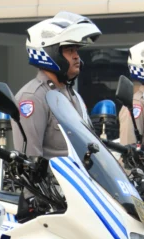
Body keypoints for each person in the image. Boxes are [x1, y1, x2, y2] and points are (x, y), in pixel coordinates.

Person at [12, 12, 101, 159]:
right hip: (55, 182)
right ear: (49, 52)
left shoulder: (73, 95)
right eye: (69, 50)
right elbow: (30, 160)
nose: (76, 56)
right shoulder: (33, 97)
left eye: (76, 50)